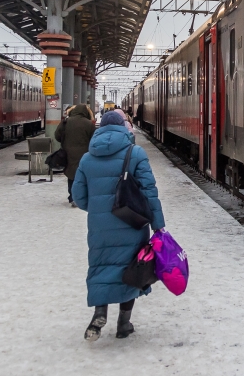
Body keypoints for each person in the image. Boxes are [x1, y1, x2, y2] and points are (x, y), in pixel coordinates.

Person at [72, 110, 165, 341]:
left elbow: (79, 196)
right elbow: (149, 192)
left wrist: (98, 210)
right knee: (130, 270)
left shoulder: (86, 158)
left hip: (99, 227)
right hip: (132, 223)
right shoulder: (136, 153)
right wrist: (158, 225)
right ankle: (124, 324)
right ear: (124, 128)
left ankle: (100, 313)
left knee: (101, 268)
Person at [54, 104, 95, 207]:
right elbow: (93, 139)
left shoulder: (66, 122)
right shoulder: (89, 124)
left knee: (71, 174)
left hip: (68, 153)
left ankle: (72, 197)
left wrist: (65, 141)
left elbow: (57, 136)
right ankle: (82, 196)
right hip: (85, 153)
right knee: (83, 175)